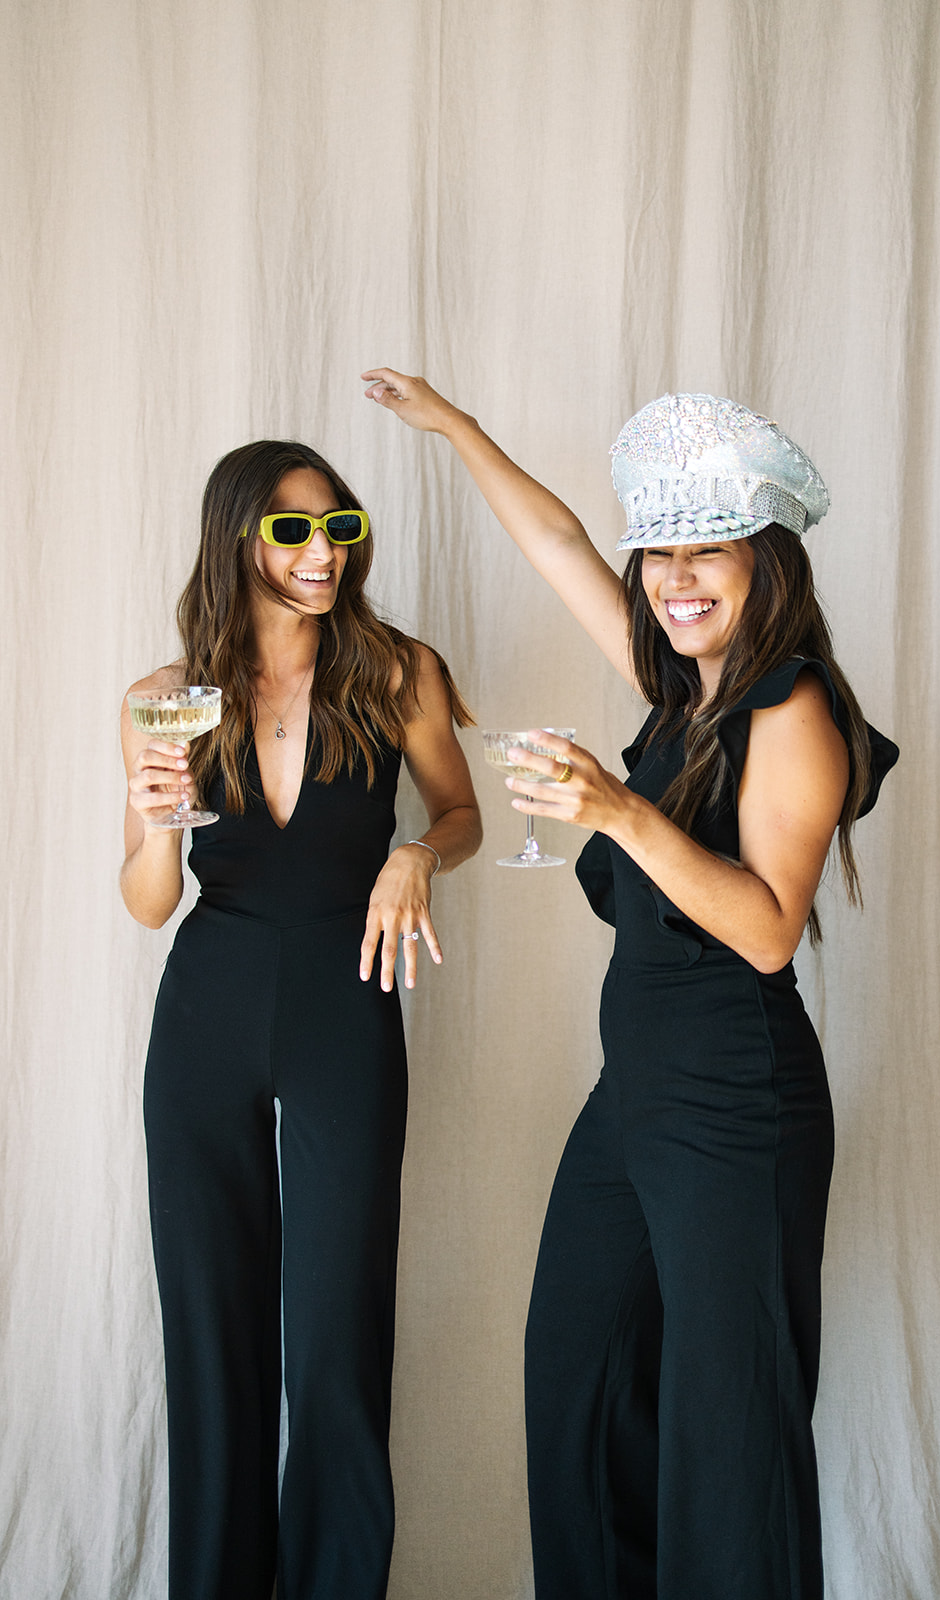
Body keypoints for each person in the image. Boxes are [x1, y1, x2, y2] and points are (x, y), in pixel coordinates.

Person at [363, 370, 898, 1600]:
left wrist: (616, 810)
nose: (673, 577)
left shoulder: (795, 707)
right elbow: (558, 540)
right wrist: (459, 431)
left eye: (705, 548)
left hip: (733, 1099)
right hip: (635, 1097)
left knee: (727, 1428)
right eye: (656, 552)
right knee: (578, 1373)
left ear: (764, 559)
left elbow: (767, 931)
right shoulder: (679, 696)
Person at [120, 438, 481, 1600]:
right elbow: (147, 901)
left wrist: (418, 851)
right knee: (213, 1333)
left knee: (335, 1329)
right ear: (240, 540)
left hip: (347, 998)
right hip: (206, 1011)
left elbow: (462, 808)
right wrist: (154, 821)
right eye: (292, 531)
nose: (324, 551)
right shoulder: (161, 699)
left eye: (340, 526)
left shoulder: (397, 672)